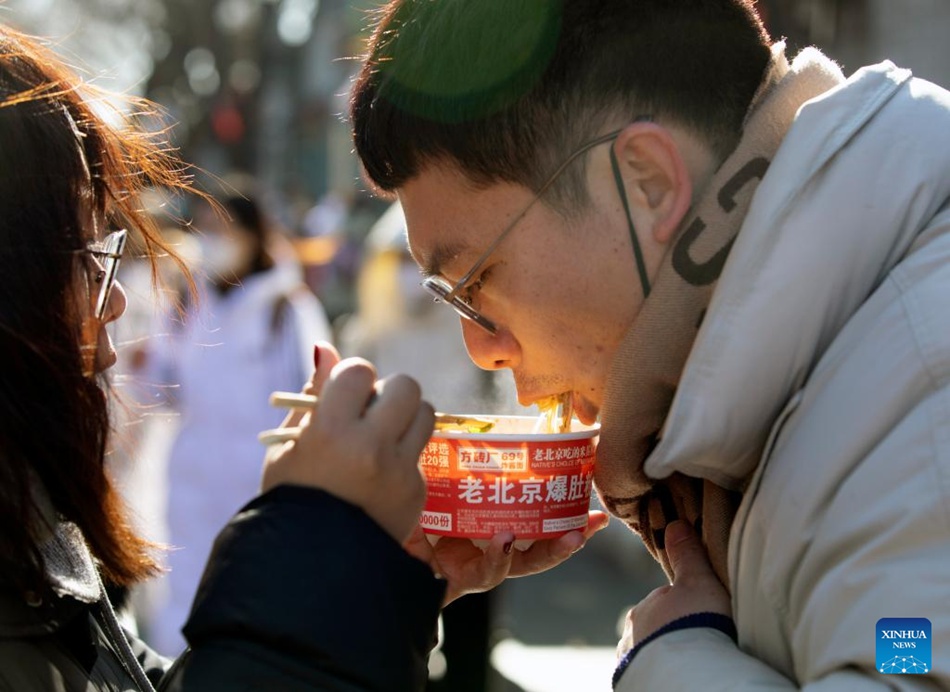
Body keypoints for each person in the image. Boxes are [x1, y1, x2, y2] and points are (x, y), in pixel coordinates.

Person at [348, 1, 950, 688]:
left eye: (477, 279)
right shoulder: (810, 373)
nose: (481, 350)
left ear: (649, 184)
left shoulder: (925, 385)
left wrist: (673, 659)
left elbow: (906, 661)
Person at [0, 22, 606, 691]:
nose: (113, 300)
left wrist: (366, 579)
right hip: (217, 489)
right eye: (88, 256)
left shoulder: (283, 307)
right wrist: (313, 543)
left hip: (258, 487)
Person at [140, 184, 335, 657]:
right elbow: (166, 388)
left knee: (255, 596)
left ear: (253, 234)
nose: (214, 239)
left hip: (258, 480)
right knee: (187, 598)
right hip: (192, 483)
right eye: (207, 228)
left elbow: (313, 394)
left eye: (225, 228)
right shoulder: (188, 301)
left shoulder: (285, 307)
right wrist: (141, 368)